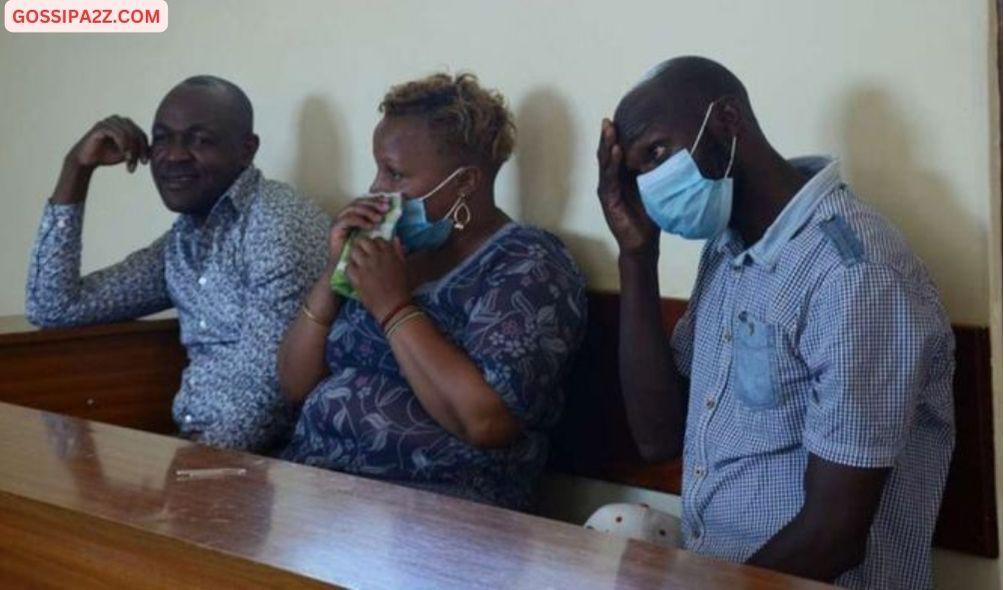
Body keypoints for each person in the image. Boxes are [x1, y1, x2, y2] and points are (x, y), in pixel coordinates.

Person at [594, 56, 954, 588]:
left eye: (658, 152)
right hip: (721, 569)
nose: (649, 182)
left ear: (727, 123)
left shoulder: (855, 273)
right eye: (637, 170)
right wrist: (637, 257)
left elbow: (835, 535)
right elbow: (658, 438)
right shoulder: (727, 247)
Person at [278, 73, 587, 510]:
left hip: (439, 508)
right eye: (378, 168)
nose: (375, 188)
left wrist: (393, 308)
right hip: (319, 490)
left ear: (465, 183)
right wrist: (335, 273)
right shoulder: (389, 249)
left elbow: (484, 422)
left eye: (396, 173)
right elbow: (294, 385)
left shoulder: (529, 264)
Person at [26, 75, 330, 452]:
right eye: (162, 138)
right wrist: (76, 169)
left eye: (200, 140)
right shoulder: (186, 240)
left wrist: (185, 474)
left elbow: (269, 395)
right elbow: (54, 306)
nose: (174, 155)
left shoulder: (276, 224)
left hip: (268, 469)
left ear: (246, 150)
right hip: (197, 454)